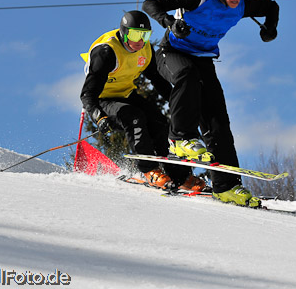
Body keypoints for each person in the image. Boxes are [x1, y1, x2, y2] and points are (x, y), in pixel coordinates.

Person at [142, 0, 280, 207]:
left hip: (203, 60)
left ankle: (226, 186)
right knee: (187, 76)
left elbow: (272, 6)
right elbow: (150, 3)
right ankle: (180, 138)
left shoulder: (240, 5)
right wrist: (171, 23)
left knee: (219, 123)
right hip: (172, 52)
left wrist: (270, 28)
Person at [80, 10, 206, 191]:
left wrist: (179, 103)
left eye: (145, 35)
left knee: (160, 123)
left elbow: (157, 80)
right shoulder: (107, 52)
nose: (140, 41)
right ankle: (148, 171)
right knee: (134, 117)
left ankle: (180, 175)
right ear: (124, 33)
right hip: (102, 99)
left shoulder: (145, 49)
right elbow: (87, 94)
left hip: (126, 94)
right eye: (135, 34)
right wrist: (98, 115)